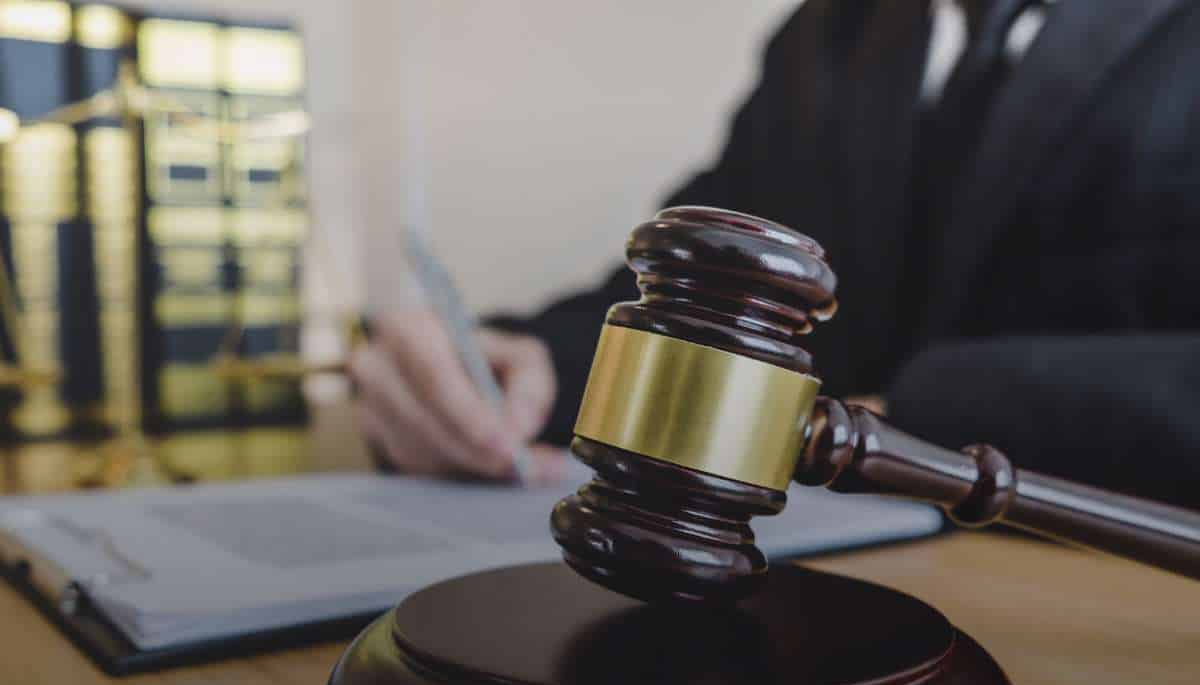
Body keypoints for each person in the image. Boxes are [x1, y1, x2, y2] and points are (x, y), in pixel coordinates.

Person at [351, 0, 1200, 506]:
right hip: (811, 583)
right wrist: (516, 367)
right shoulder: (826, 35)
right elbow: (705, 287)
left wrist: (911, 408)